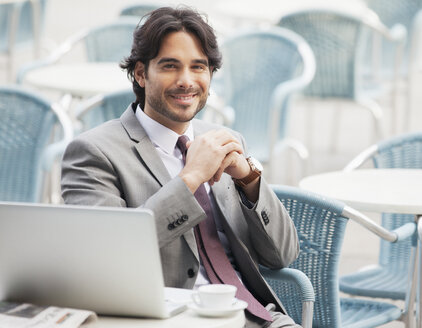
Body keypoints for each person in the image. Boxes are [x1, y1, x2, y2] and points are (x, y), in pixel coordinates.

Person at [60, 6, 301, 328]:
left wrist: (249, 179)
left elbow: (282, 255)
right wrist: (190, 179)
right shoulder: (93, 152)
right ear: (142, 74)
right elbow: (103, 259)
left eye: (198, 67)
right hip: (164, 319)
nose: (186, 81)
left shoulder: (225, 141)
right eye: (170, 66)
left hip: (253, 317)